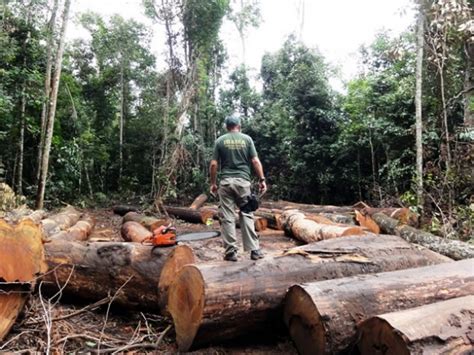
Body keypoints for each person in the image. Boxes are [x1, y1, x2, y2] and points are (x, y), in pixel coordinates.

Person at [209, 115, 267, 261]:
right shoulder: (247, 139)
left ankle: (230, 252)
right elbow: (255, 161)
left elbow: (214, 164)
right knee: (247, 214)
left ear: (226, 127)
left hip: (226, 183)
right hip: (243, 183)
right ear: (239, 126)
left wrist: (213, 183)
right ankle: (254, 250)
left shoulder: (220, 140)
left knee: (227, 217)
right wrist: (262, 179)